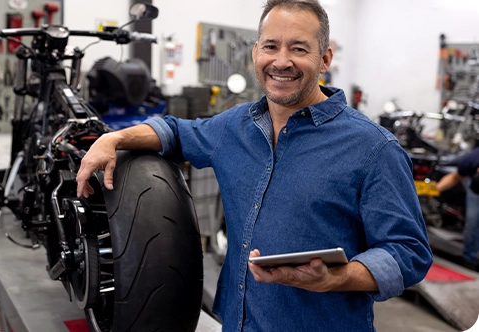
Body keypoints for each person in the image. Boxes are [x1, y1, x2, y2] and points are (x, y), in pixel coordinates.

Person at [76, 0, 433, 330]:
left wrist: (337, 278)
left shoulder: (373, 147)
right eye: (271, 46)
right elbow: (175, 131)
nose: (281, 61)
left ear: (324, 60)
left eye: (299, 48)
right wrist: (114, 139)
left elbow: (408, 251)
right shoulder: (234, 127)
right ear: (255, 53)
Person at [436, 147, 479, 270]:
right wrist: (433, 190)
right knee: (472, 221)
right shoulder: (472, 160)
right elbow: (454, 177)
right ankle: (469, 259)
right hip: (476, 190)